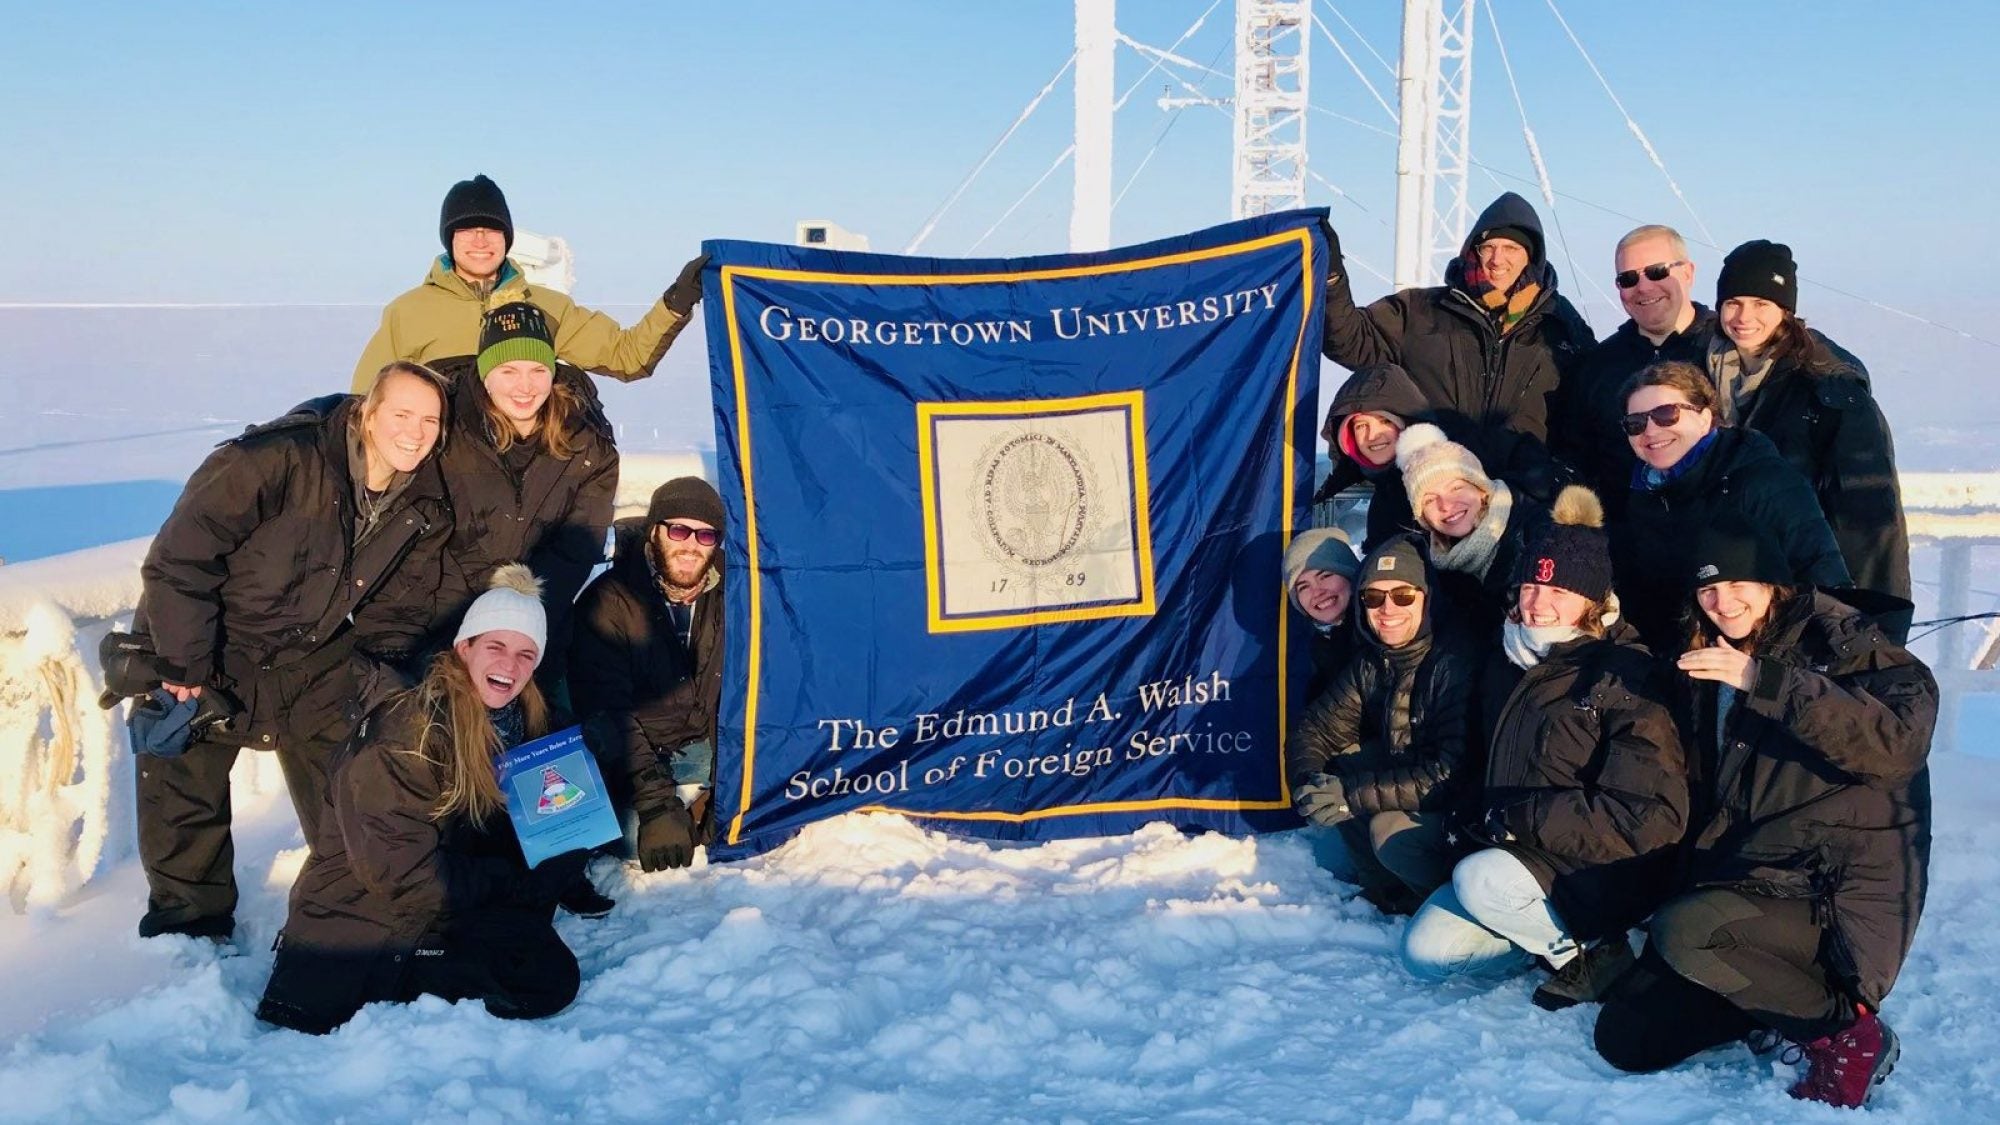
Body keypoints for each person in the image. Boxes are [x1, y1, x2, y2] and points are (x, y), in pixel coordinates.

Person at [1594, 519, 1934, 1109]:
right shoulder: (1711, 662)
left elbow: (1896, 744)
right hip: (1754, 883)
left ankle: (1844, 1032)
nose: (1722, 601)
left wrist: (1764, 681)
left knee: (1688, 933)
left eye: (1737, 582)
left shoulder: (1850, 647)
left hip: (1828, 901)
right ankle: (1765, 1005)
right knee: (1629, 1038)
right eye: (1707, 590)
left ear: (1774, 583)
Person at [131, 364, 455, 940]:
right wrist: (183, 663)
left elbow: (404, 604)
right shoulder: (276, 459)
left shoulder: (422, 501)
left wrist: (381, 676)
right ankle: (189, 932)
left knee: (349, 783)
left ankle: (343, 906)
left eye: (429, 419)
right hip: (207, 641)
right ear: (367, 413)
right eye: (401, 414)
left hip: (308, 654)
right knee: (183, 785)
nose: (415, 431)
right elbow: (179, 558)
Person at [257, 565, 591, 1034]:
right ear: (464, 647)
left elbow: (569, 828)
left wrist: (550, 863)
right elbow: (402, 875)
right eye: (495, 646)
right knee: (543, 978)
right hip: (366, 927)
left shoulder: (535, 724)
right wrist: (513, 881)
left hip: (446, 904)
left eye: (525, 654)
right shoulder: (407, 732)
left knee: (544, 966)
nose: (509, 666)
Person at [1401, 486, 1687, 1012]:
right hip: (1516, 853)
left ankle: (1593, 952)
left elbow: (1652, 818)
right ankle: (1536, 929)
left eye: (1558, 590)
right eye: (1530, 585)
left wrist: (1518, 819)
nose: (1537, 604)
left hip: (1599, 870)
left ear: (1593, 598)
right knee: (1425, 955)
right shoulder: (1505, 660)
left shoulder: (1625, 675)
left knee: (1478, 879)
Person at [1707, 240, 1911, 641]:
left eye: (1761, 304)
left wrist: (1865, 625)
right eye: (1733, 302)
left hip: (1803, 593)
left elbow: (1868, 519)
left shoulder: (1829, 389)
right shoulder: (1703, 374)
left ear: (1786, 310)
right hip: (1731, 593)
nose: (1744, 316)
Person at [350, 174, 706, 392]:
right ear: (449, 239)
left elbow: (626, 357)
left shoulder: (549, 308)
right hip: (436, 487)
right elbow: (365, 404)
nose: (480, 240)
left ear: (506, 238)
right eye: (466, 230)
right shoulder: (408, 311)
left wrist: (676, 302)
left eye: (491, 230)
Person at [1320, 192, 1594, 468]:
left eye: (1511, 248)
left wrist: (1557, 478)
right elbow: (1349, 341)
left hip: (1523, 498)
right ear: (1473, 251)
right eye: (1488, 247)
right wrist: (1331, 278)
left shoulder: (1561, 326)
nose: (1497, 259)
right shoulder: (1421, 310)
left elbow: (1591, 412)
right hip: (1432, 494)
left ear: (1532, 256)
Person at [1290, 535, 1484, 911]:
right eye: (1375, 598)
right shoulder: (1374, 655)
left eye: (1403, 596)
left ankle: (1451, 909)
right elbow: (1315, 727)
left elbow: (1451, 774)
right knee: (1337, 780)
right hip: (1406, 771)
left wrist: (1350, 796)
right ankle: (1388, 894)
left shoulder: (1456, 659)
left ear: (1427, 597)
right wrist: (1309, 782)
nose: (1388, 608)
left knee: (1387, 831)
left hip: (1463, 809)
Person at [1607, 360, 1850, 654]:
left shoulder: (1760, 481)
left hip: (1770, 658)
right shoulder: (1644, 493)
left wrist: (1775, 671)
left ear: (1705, 417)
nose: (1650, 430)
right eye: (1635, 423)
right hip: (1685, 664)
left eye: (1666, 415)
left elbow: (1823, 580)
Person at [436, 302, 619, 689]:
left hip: (536, 623)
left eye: (538, 370)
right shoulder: (446, 431)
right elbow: (426, 532)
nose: (524, 387)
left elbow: (578, 544)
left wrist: (519, 617)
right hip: (446, 623)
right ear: (486, 375)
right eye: (508, 371)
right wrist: (483, 618)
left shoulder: (588, 445)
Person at [570, 477, 728, 872]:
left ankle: (705, 802)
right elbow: (607, 716)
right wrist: (657, 805)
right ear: (654, 531)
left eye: (706, 535)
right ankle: (688, 808)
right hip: (639, 750)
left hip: (706, 744)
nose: (691, 545)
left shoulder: (735, 594)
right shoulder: (609, 601)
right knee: (628, 838)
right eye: (678, 530)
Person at [1552, 225, 1714, 500]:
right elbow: (1575, 459)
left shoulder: (1726, 352)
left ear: (1687, 272)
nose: (1644, 287)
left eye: (1657, 271)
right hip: (1624, 534)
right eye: (1628, 279)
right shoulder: (1596, 367)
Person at [1395, 422, 1548, 637]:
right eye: (1430, 500)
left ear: (1481, 488)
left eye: (1456, 488)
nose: (1446, 505)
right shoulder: (1438, 571)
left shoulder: (1538, 534)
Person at [1281, 526, 1363, 702]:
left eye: (1325, 576)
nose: (1317, 591)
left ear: (1351, 575)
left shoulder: (1377, 641)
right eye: (1303, 587)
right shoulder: (1323, 650)